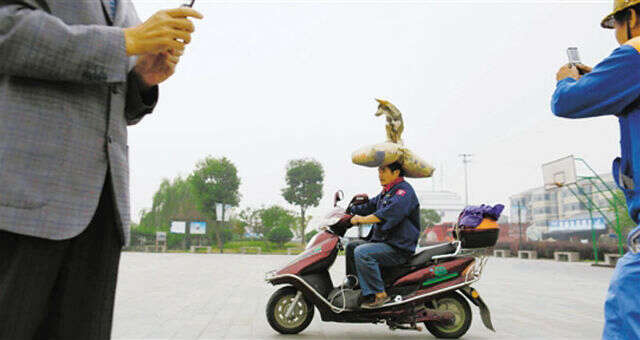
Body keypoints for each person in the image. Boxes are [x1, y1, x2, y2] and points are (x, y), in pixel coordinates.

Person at [0, 1, 202, 339]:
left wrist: (142, 77)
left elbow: (120, 105)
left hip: (101, 207)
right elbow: (8, 29)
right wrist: (126, 43)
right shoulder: (128, 25)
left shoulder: (123, 6)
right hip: (25, 200)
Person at [551, 1, 640, 338]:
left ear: (630, 16)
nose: (617, 36)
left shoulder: (634, 55)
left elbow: (567, 103)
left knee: (626, 308)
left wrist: (565, 81)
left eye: (615, 26)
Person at [346, 161, 421, 308]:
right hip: (386, 243)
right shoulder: (387, 192)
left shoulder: (404, 192)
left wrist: (361, 220)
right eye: (379, 171)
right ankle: (356, 286)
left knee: (363, 253)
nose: (379, 175)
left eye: (383, 171)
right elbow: (370, 205)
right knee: (351, 246)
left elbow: (387, 213)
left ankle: (380, 295)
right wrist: (350, 210)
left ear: (396, 173)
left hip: (398, 248)